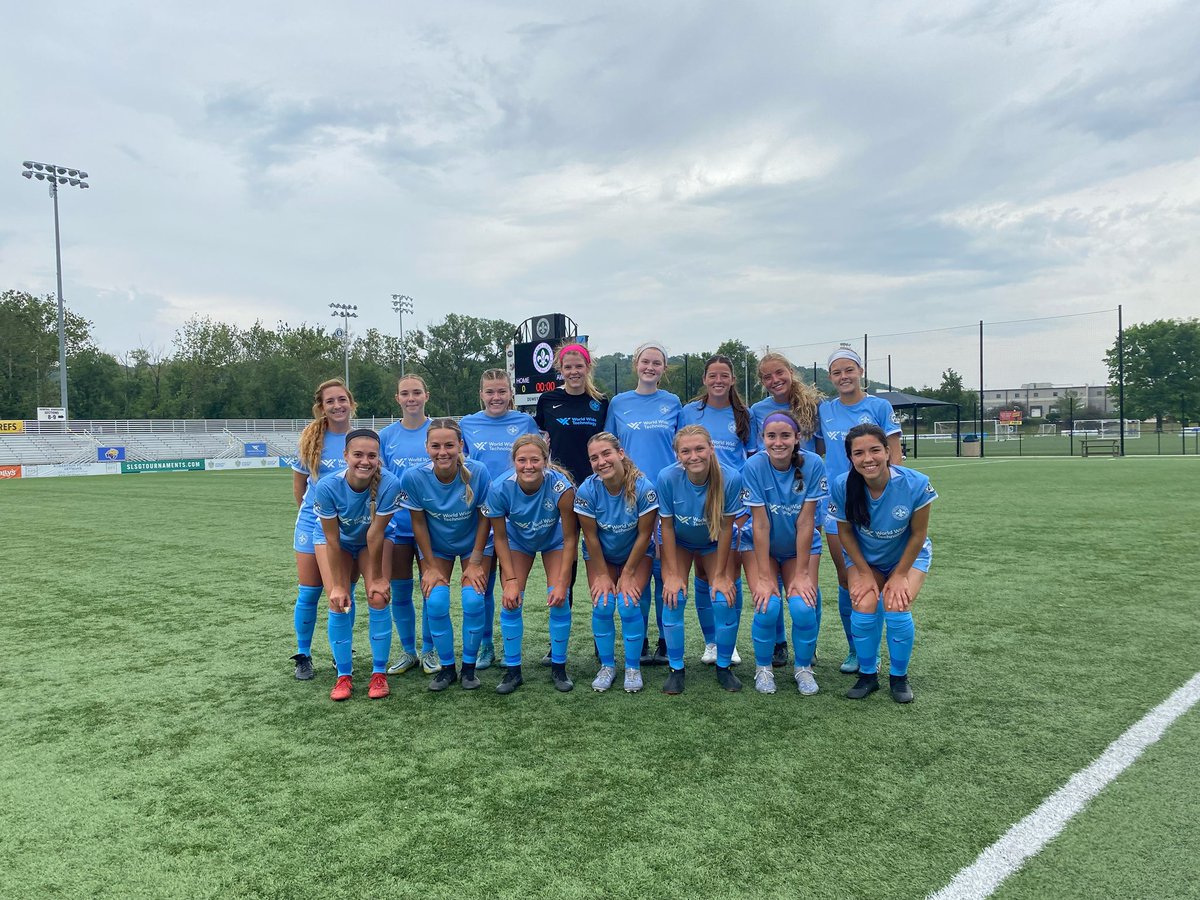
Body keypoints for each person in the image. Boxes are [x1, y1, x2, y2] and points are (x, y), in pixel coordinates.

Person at [827, 424, 935, 703]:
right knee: (863, 604)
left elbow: (918, 535)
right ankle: (867, 675)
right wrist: (863, 572)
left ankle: (899, 678)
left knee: (896, 605)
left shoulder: (916, 483)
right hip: (866, 560)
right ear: (850, 458)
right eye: (859, 453)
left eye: (875, 450)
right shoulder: (842, 485)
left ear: (888, 452)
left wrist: (899, 575)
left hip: (908, 557)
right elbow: (845, 533)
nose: (868, 459)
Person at [816, 346, 902, 676]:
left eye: (849, 370)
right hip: (837, 503)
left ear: (860, 372)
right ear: (830, 377)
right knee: (846, 578)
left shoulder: (879, 406)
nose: (844, 377)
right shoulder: (825, 410)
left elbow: (894, 456)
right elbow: (819, 449)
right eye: (837, 372)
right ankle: (856, 648)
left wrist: (891, 496)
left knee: (876, 576)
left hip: (876, 503)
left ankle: (874, 650)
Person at [400, 418, 494, 691]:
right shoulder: (414, 477)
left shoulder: (478, 472)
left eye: (449, 445)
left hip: (474, 546)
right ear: (427, 447)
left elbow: (485, 518)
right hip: (437, 548)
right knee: (436, 602)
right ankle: (447, 669)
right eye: (436, 446)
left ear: (460, 445)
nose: (443, 452)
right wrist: (429, 566)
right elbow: (418, 524)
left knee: (473, 600)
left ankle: (469, 670)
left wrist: (475, 561)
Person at [605, 341, 681, 666]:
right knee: (639, 568)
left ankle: (666, 640)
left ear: (664, 368)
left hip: (665, 496)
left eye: (657, 363)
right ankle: (643, 640)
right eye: (645, 361)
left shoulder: (673, 402)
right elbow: (610, 448)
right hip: (630, 495)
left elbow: (682, 447)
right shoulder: (619, 403)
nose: (650, 367)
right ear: (636, 364)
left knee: (664, 571)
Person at [483, 435, 578, 694]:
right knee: (511, 600)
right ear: (513, 461)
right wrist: (511, 580)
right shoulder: (500, 488)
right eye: (521, 460)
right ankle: (513, 671)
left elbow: (571, 537)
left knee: (559, 598)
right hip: (518, 542)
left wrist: (562, 582)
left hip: (554, 541)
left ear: (545, 461)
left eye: (535, 460)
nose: (528, 466)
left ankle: (559, 667)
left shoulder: (562, 488)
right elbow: (500, 537)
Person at [741, 412, 828, 695]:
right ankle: (763, 668)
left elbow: (806, 522)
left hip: (798, 549)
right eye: (771, 436)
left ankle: (803, 668)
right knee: (768, 605)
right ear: (762, 439)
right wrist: (764, 576)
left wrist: (802, 573)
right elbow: (760, 524)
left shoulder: (813, 464)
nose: (778, 442)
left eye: (785, 436)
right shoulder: (754, 466)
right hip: (761, 547)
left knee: (803, 607)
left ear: (797, 438)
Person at [312, 429, 402, 701]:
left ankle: (379, 673)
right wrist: (339, 585)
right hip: (336, 541)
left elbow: (375, 534)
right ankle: (343, 675)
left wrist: (378, 578)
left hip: (372, 540)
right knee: (337, 600)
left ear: (379, 458)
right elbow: (332, 539)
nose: (365, 461)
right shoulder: (328, 486)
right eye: (358, 455)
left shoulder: (390, 483)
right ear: (345, 456)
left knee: (378, 596)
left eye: (371, 456)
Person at [460, 368, 540, 670]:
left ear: (510, 394)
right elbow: (461, 466)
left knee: (512, 583)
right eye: (490, 391)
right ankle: (485, 644)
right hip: (481, 515)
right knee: (483, 582)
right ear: (481, 394)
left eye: (502, 391)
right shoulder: (468, 424)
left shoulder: (525, 422)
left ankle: (509, 644)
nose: (496, 397)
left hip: (515, 515)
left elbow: (537, 461)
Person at [534, 342, 609, 664]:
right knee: (566, 567)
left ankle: (602, 640)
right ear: (560, 370)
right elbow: (542, 440)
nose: (574, 372)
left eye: (579, 366)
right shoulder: (548, 401)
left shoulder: (601, 403)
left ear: (588, 368)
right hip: (560, 492)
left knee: (598, 563)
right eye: (568, 367)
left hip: (595, 492)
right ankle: (558, 643)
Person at [656, 426, 744, 693]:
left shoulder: (730, 478)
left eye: (699, 449)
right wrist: (672, 574)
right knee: (673, 596)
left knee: (723, 596)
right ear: (677, 454)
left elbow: (727, 528)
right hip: (680, 542)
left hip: (713, 542)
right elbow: (666, 527)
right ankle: (676, 669)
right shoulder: (667, 477)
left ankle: (724, 666)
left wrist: (722, 574)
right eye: (686, 451)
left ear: (711, 449)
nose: (693, 456)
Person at [751, 351, 823, 669]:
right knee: (771, 590)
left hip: (804, 495)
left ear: (791, 371)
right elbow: (758, 456)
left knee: (805, 583)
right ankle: (778, 643)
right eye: (767, 376)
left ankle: (809, 645)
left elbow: (820, 449)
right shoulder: (757, 411)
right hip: (768, 498)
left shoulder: (812, 406)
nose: (774, 380)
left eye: (779, 372)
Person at [680, 354, 753, 667]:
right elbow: (682, 450)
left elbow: (751, 459)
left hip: (731, 500)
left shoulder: (744, 415)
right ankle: (711, 642)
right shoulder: (689, 412)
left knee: (728, 572)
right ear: (705, 379)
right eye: (713, 375)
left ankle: (728, 643)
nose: (718, 380)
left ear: (733, 379)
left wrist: (745, 506)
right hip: (697, 500)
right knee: (702, 571)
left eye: (724, 375)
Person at [574, 432, 658, 693]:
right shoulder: (587, 490)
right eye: (594, 458)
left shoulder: (644, 488)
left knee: (629, 604)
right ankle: (607, 666)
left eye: (606, 454)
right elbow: (590, 537)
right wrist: (601, 574)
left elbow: (645, 534)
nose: (601, 462)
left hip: (637, 554)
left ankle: (632, 667)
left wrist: (629, 573)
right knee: (602, 604)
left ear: (620, 453)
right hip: (602, 556)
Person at [289, 378, 353, 682]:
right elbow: (299, 487)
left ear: (351, 402)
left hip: (349, 526)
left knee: (343, 592)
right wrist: (314, 515)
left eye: (342, 399)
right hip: (311, 523)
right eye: (330, 401)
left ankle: (342, 652)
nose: (337, 406)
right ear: (321, 407)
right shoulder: (311, 440)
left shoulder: (362, 438)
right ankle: (303, 654)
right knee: (309, 592)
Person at [378, 374, 436, 678]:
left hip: (431, 525)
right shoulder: (386, 436)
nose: (411, 398)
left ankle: (430, 650)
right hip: (398, 526)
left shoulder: (438, 429)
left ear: (426, 395)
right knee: (400, 591)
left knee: (431, 590)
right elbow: (381, 481)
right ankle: (408, 651)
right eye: (405, 393)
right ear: (397, 398)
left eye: (416, 392)